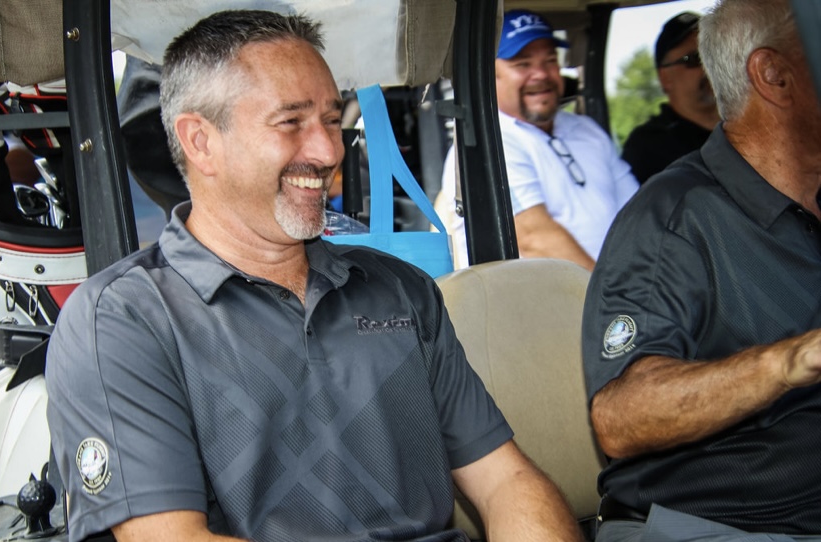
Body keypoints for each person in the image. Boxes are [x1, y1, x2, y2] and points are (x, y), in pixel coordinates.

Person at [45, 10, 582, 542]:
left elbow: (506, 481)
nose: (328, 151)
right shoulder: (123, 321)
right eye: (291, 122)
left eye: (330, 119)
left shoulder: (401, 290)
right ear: (201, 141)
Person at [582, 0, 821, 540]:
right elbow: (621, 416)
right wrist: (790, 361)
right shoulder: (672, 219)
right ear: (773, 76)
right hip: (727, 526)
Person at [438, 9, 638, 271]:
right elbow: (534, 240)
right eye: (523, 64)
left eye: (550, 60)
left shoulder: (586, 130)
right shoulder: (490, 144)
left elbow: (636, 212)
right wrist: (614, 293)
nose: (541, 74)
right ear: (489, 74)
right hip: (543, 295)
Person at [620, 11, 721, 185]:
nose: (709, 67)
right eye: (694, 59)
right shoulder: (648, 147)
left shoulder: (751, 123)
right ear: (665, 78)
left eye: (714, 55)